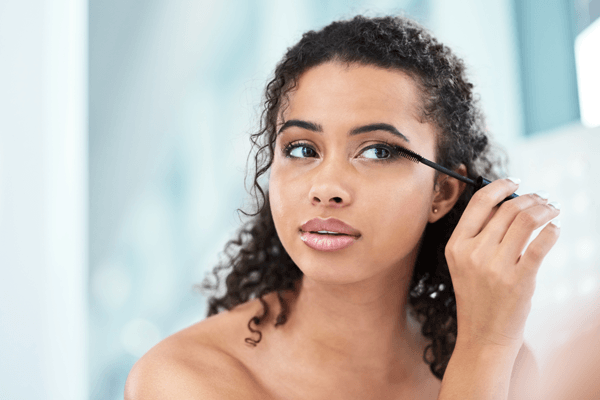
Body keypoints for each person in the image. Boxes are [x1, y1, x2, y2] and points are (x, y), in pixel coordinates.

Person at [125, 15, 560, 399]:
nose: (326, 188)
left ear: (442, 193)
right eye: (301, 149)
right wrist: (483, 349)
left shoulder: (508, 364)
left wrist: (487, 348)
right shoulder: (181, 379)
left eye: (377, 152)